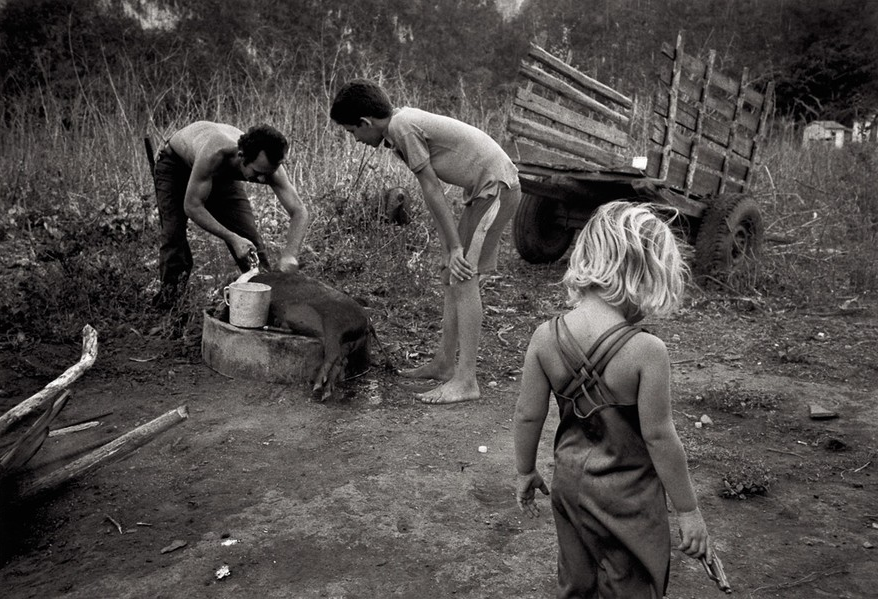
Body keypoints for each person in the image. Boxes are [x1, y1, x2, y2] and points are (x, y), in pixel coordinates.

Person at [513, 202, 711, 598]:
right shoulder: (647, 351)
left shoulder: (544, 337)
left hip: (569, 484)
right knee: (632, 584)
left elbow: (527, 415)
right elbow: (659, 437)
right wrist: (688, 510)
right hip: (628, 498)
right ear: (643, 275)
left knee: (577, 579)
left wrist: (525, 471)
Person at [330, 79, 522, 405]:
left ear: (365, 123)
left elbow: (432, 188)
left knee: (464, 277)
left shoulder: (403, 127)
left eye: (352, 132)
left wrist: (457, 248)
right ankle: (445, 363)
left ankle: (466, 380)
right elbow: (430, 193)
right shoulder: (399, 127)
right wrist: (450, 248)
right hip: (482, 193)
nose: (356, 140)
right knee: (451, 275)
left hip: (498, 189)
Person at [151, 121, 309, 309]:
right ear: (241, 157)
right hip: (175, 166)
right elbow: (192, 206)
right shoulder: (214, 153)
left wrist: (290, 255)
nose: (262, 180)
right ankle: (170, 306)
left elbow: (299, 211)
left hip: (220, 174)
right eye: (257, 173)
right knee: (173, 237)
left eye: (267, 174)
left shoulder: (268, 166)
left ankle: (265, 302)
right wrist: (232, 238)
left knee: (250, 241)